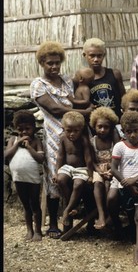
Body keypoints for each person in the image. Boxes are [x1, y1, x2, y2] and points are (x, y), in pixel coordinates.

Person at [30, 41, 93, 239]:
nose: (54, 67)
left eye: (57, 63)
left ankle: (87, 219)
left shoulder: (66, 80)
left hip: (77, 131)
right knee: (55, 176)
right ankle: (56, 223)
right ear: (42, 63)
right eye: (50, 63)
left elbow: (78, 94)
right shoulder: (38, 85)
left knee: (83, 171)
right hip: (55, 134)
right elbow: (55, 109)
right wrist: (84, 112)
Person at [110, 111, 138, 265]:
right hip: (124, 185)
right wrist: (127, 183)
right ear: (123, 131)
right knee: (127, 212)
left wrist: (135, 180)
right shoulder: (119, 146)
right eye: (128, 131)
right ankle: (120, 231)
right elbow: (114, 168)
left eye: (136, 131)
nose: (133, 135)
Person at [4, 110, 45, 242]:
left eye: (27, 129)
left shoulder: (36, 141)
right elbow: (6, 155)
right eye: (20, 129)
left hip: (32, 179)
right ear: (16, 129)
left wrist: (29, 147)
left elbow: (40, 158)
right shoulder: (13, 140)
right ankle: (29, 231)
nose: (24, 132)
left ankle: (38, 231)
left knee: (35, 204)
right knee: (26, 205)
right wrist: (18, 143)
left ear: (33, 127)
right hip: (19, 178)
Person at [53, 111, 94, 232]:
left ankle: (67, 209)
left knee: (78, 184)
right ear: (63, 128)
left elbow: (88, 159)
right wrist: (56, 172)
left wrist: (91, 176)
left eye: (76, 131)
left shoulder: (83, 140)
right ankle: (74, 205)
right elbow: (60, 156)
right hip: (68, 167)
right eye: (68, 130)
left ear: (81, 129)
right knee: (60, 179)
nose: (72, 134)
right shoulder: (63, 139)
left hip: (81, 169)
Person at [88, 107, 119, 230]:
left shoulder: (113, 141)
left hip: (113, 168)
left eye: (106, 127)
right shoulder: (93, 141)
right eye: (99, 126)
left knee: (108, 185)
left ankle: (110, 215)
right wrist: (100, 171)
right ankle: (101, 214)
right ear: (94, 126)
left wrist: (111, 170)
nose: (102, 130)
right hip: (98, 169)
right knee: (97, 184)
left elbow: (117, 158)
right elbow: (92, 161)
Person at [83, 38, 126, 119]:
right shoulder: (82, 79)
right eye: (92, 56)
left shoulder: (114, 74)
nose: (96, 59)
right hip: (95, 125)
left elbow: (124, 99)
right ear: (85, 55)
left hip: (116, 121)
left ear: (104, 55)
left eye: (99, 56)